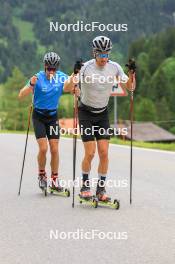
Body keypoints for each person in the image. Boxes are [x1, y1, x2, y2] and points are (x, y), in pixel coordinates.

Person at [68, 36, 135, 201]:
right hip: (85, 113)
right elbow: (67, 87)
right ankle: (84, 185)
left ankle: (101, 189)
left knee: (104, 153)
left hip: (102, 113)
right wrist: (75, 73)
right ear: (94, 53)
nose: (104, 58)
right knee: (90, 153)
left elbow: (131, 87)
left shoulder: (115, 67)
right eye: (100, 55)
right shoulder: (85, 68)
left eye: (106, 54)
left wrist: (132, 74)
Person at [18, 52, 76, 192]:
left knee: (55, 149)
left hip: (52, 117)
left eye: (53, 69)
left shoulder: (61, 76)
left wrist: (76, 89)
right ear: (44, 66)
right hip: (38, 116)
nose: (51, 71)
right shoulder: (38, 77)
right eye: (49, 68)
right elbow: (21, 95)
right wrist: (31, 84)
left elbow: (71, 86)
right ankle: (42, 175)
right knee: (43, 148)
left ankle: (55, 180)